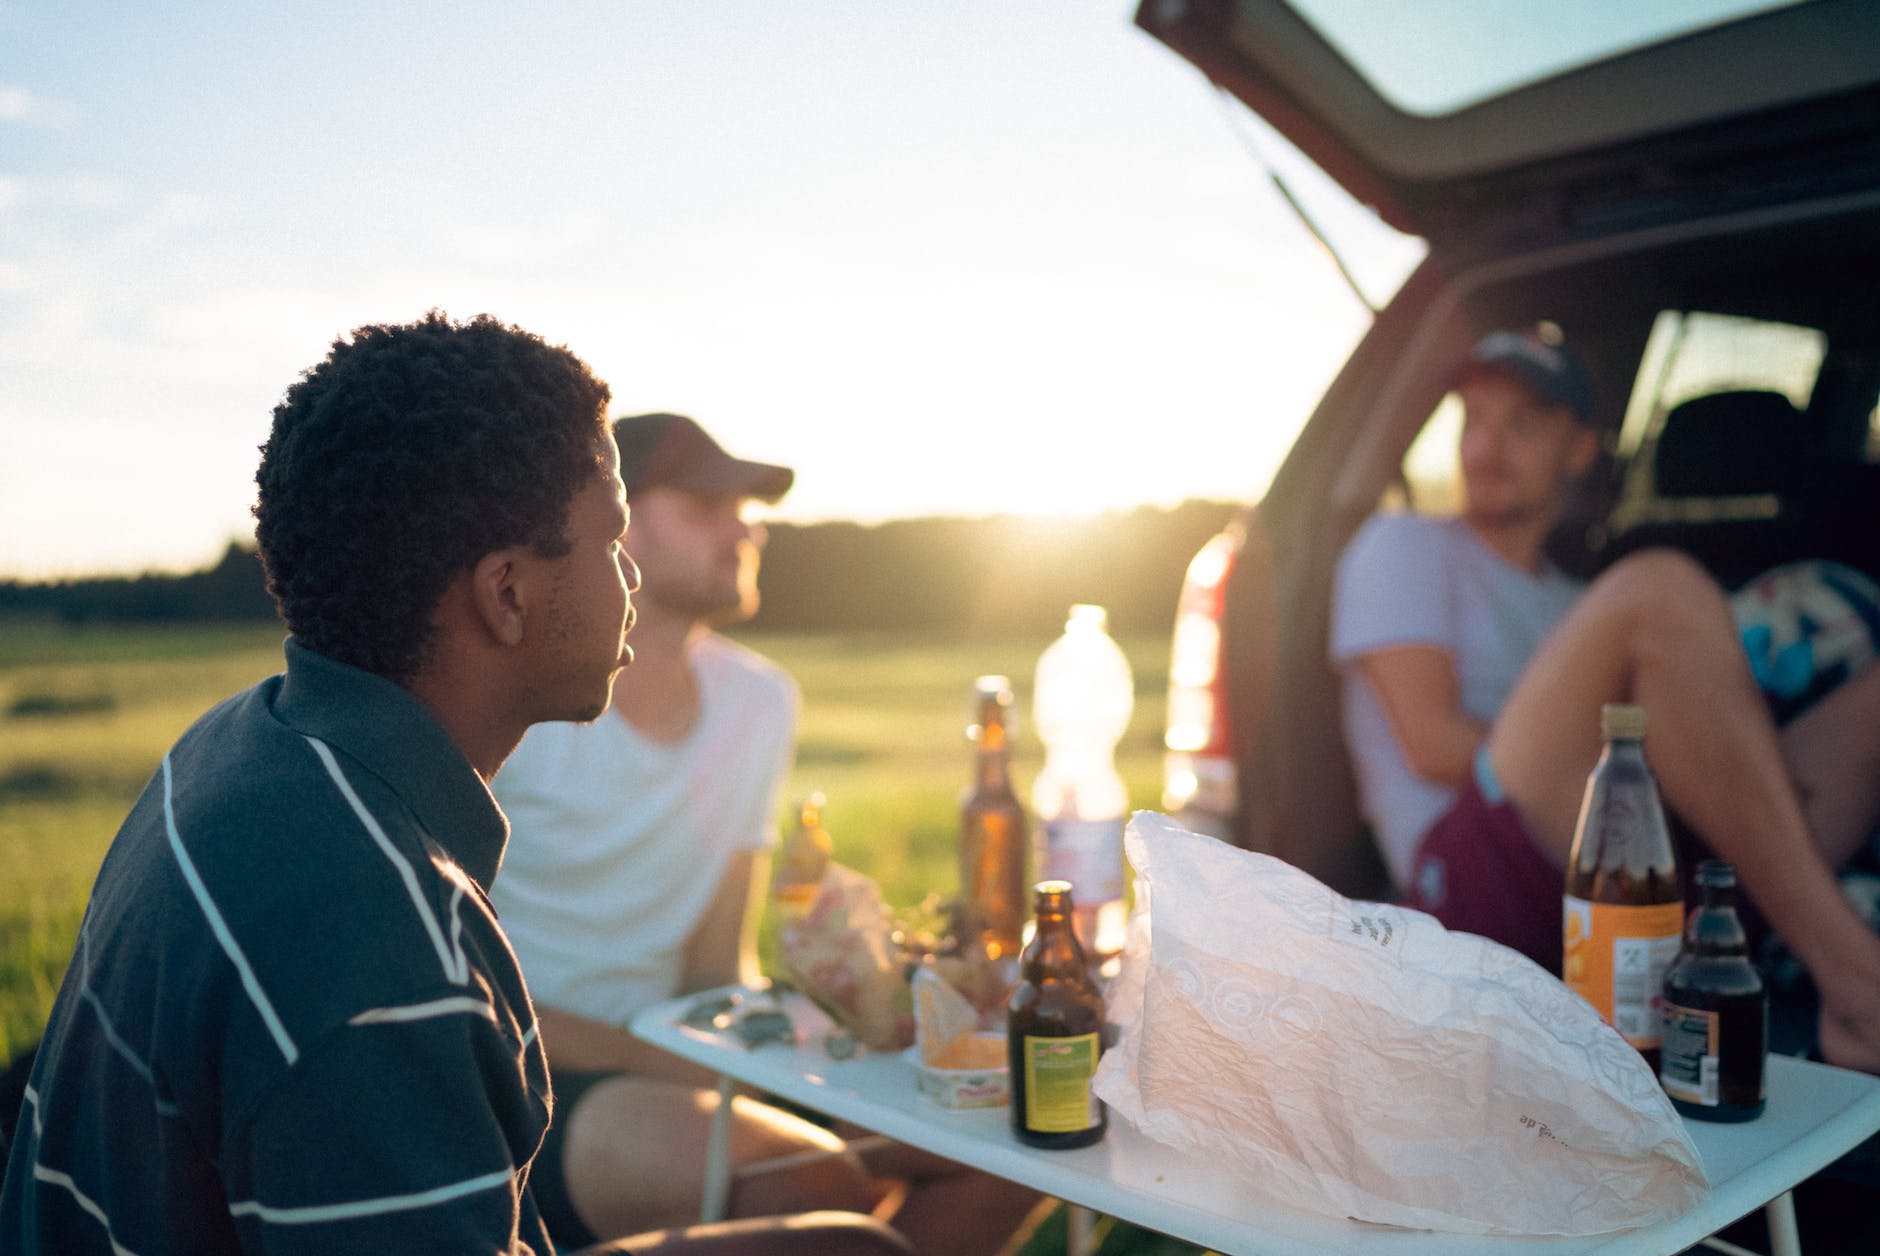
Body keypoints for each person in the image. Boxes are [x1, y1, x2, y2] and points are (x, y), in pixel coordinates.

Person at [0, 314, 907, 1256]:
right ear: (507, 593)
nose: (628, 580)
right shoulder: (384, 936)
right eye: (610, 543)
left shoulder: (240, 743)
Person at [492, 414, 1041, 1255]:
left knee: (1006, 1146)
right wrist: (694, 1068)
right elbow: (456, 982)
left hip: (684, 1051)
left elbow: (718, 964)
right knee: (809, 1181)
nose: (747, 525)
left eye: (749, 507)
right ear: (610, 523)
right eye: (709, 505)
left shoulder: (758, 702)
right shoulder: (519, 705)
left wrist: (855, 1018)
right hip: (528, 1074)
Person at [1331, 326, 1880, 1074]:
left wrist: (1713, 788)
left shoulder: (1579, 601)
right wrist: (1678, 788)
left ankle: (1779, 935)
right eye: (1476, 420)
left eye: (1521, 423)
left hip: (1627, 872)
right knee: (1660, 586)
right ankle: (1858, 982)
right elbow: (1430, 742)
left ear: (1581, 450)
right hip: (1463, 894)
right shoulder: (1404, 545)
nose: (1487, 446)